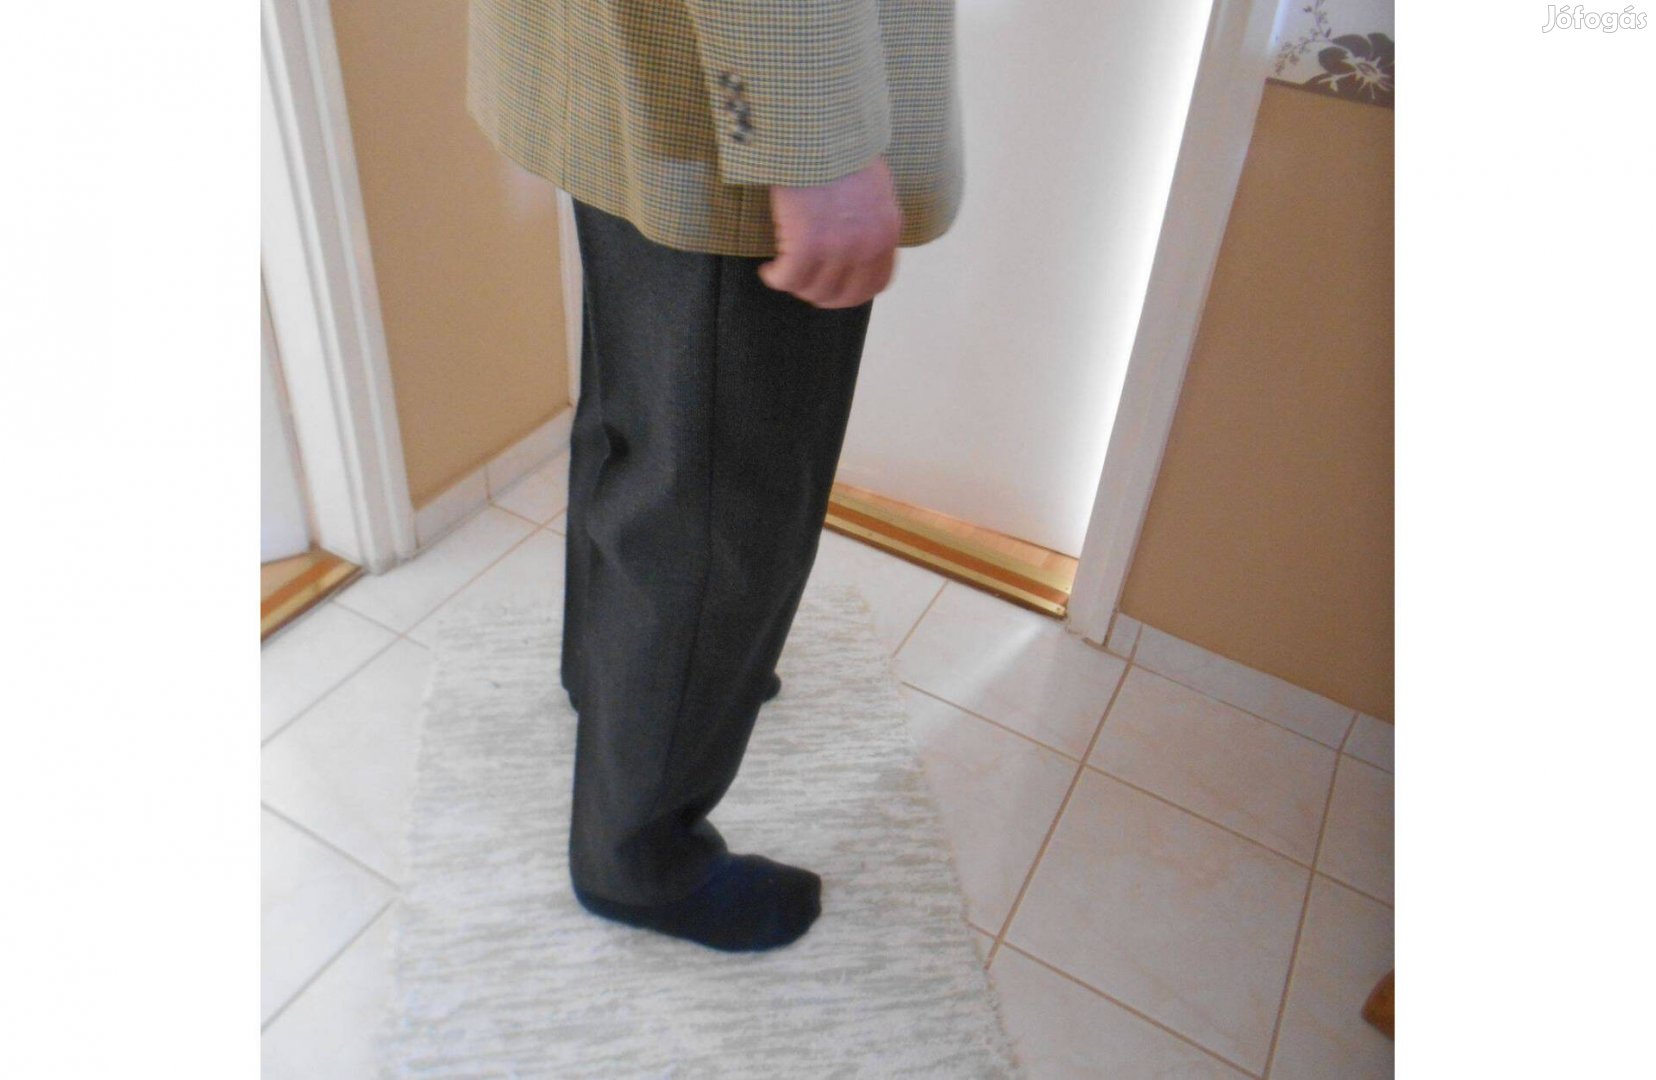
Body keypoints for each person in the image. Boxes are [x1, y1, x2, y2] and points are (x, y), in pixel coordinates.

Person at [464, 0, 964, 952]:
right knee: (720, 510)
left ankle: (613, 682)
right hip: (729, 97)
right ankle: (640, 861)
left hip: (637, 47)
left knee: (647, 427)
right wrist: (812, 138)